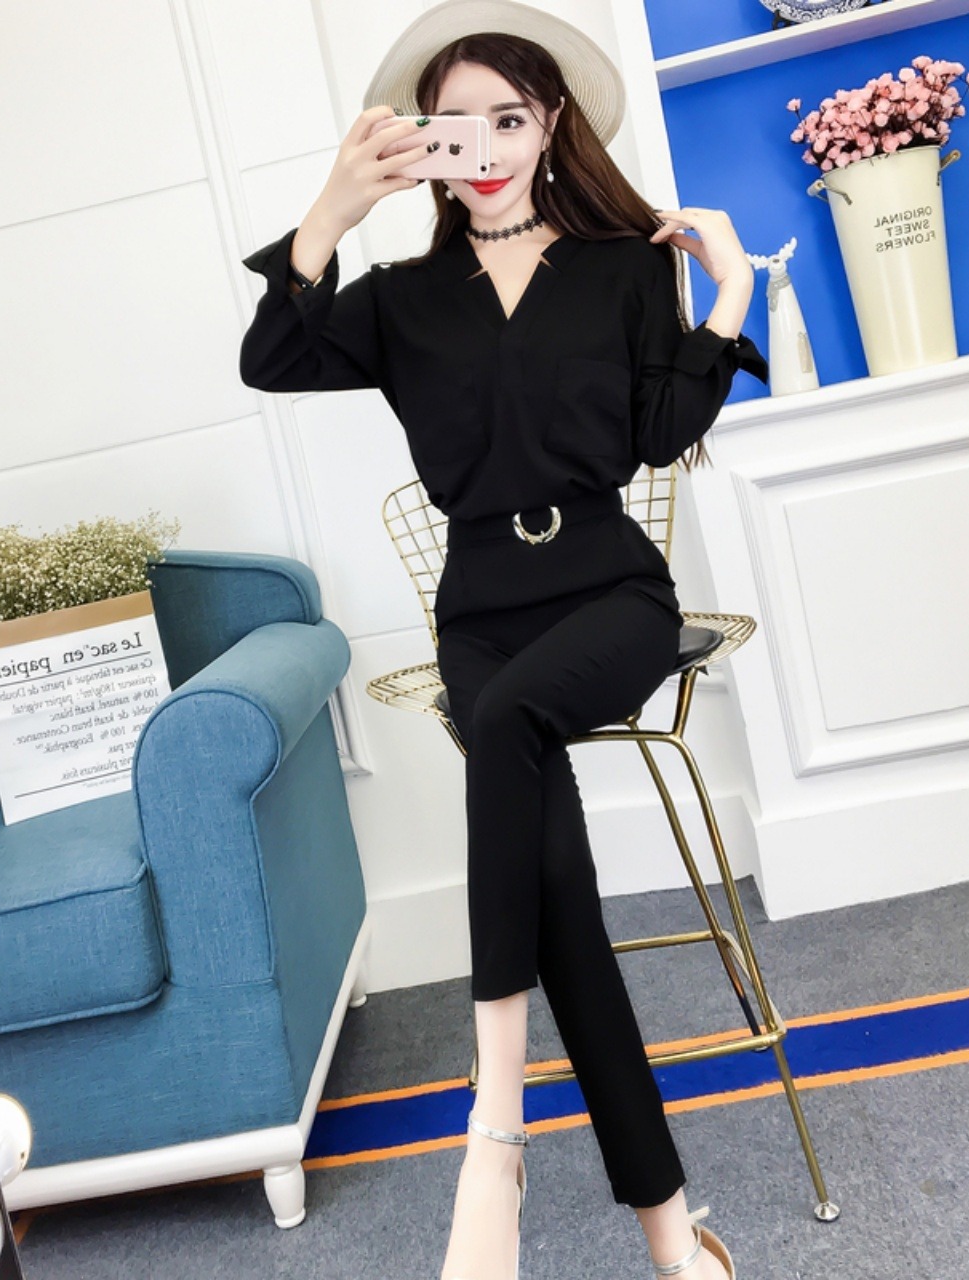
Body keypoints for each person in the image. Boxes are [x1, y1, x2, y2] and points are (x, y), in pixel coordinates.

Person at [238, 2, 767, 1277]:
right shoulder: (400, 299)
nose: (482, 146)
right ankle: (672, 1234)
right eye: (453, 124)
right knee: (561, 901)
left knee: (508, 720)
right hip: (479, 604)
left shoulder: (621, 267)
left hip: (609, 590)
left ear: (548, 129)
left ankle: (492, 1127)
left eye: (507, 118)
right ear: (420, 144)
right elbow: (270, 359)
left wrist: (730, 290)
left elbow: (659, 434)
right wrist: (330, 212)